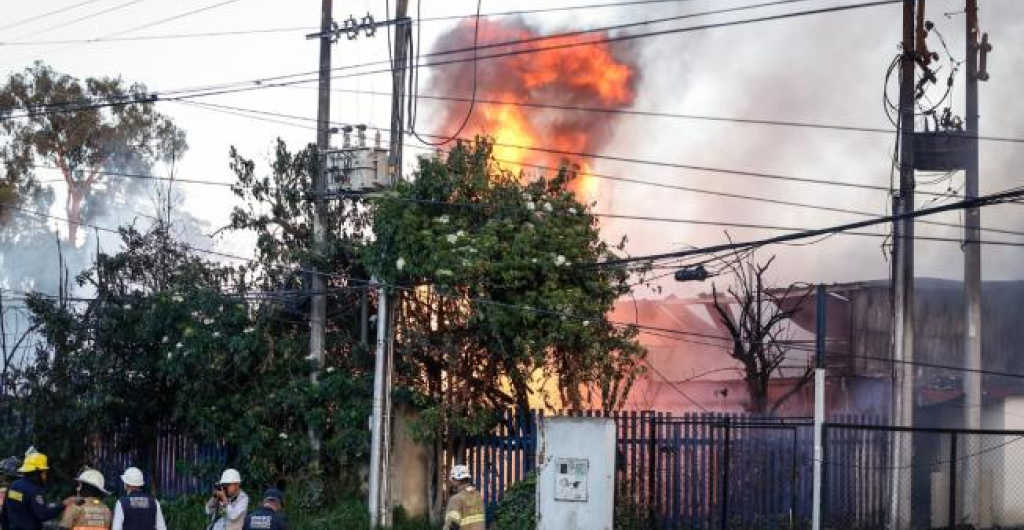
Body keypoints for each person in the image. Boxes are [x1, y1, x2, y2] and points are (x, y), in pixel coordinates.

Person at [0, 451, 64, 530]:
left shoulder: (13, 485)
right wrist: (62, 505)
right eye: (44, 473)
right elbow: (43, 515)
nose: (45, 476)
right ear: (37, 473)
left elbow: (4, 514)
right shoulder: (34, 491)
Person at [442, 465, 484, 530]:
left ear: (457, 480)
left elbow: (451, 524)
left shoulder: (456, 499)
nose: (451, 481)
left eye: (453, 478)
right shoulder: (478, 495)